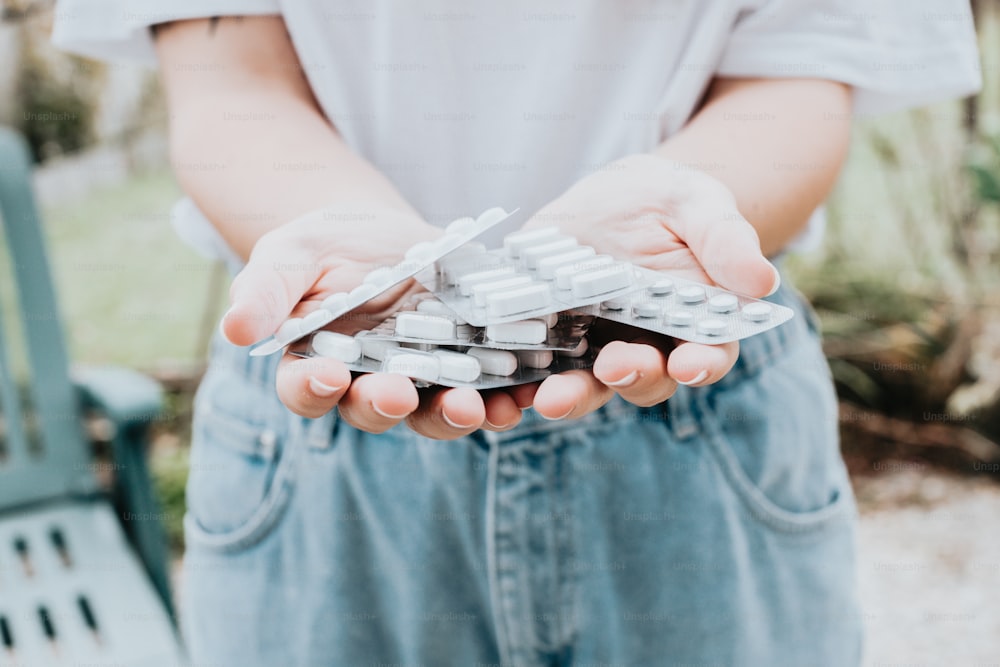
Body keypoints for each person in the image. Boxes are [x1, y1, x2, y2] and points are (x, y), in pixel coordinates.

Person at [54, 2, 980, 665]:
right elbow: (227, 81)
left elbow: (802, 76)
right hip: (324, 409)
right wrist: (354, 251)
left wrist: (670, 216)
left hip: (700, 411)